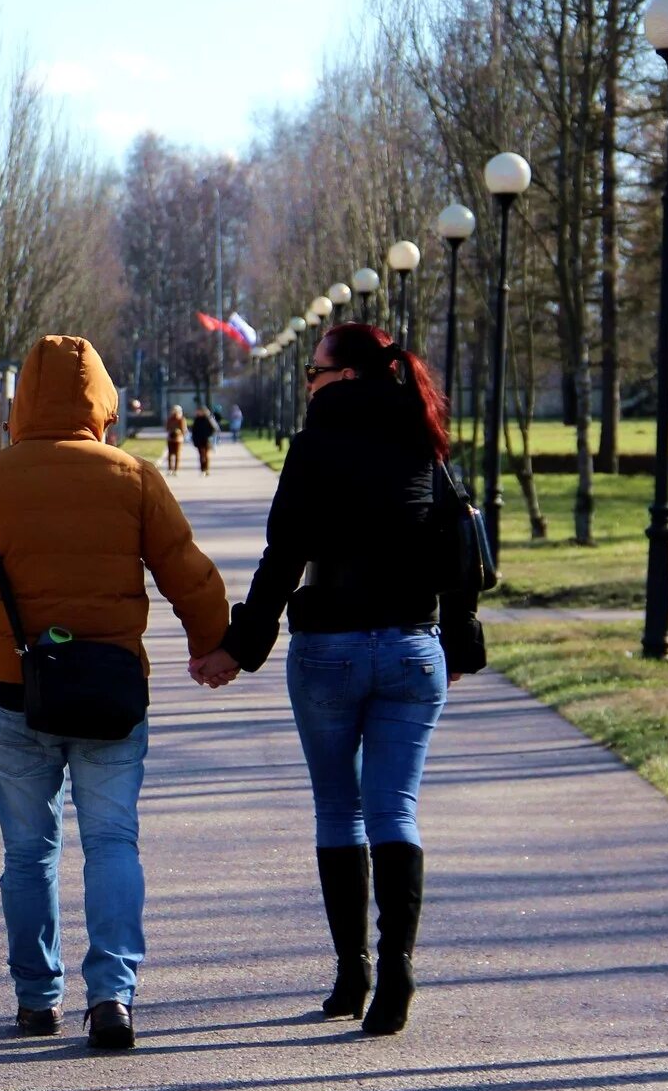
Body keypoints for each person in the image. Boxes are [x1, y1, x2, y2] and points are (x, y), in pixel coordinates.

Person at [0, 335, 230, 1050]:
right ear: (102, 402)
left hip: (15, 694)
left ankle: (37, 997)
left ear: (21, 403)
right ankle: (112, 996)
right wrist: (211, 646)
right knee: (113, 841)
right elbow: (190, 576)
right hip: (112, 694)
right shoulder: (134, 477)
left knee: (28, 853)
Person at [191, 323, 484, 1036]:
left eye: (314, 372)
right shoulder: (423, 437)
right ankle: (399, 967)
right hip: (413, 650)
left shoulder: (316, 441)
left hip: (329, 650)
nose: (309, 384)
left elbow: (284, 552)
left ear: (346, 375)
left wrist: (239, 647)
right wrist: (456, 632)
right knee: (395, 810)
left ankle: (354, 971)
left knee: (338, 810)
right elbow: (456, 543)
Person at [190, 406, 217, 475]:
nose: (198, 412)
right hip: (199, 440)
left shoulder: (208, 419)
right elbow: (193, 430)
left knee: (206, 455)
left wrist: (208, 435)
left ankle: (206, 469)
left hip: (207, 440)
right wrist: (194, 438)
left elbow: (214, 429)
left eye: (200, 411)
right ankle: (202, 469)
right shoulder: (197, 419)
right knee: (201, 455)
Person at [164, 405, 187, 475]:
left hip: (178, 439)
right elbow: (167, 428)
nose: (174, 412)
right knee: (170, 454)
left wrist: (179, 432)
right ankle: (170, 469)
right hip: (170, 438)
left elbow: (183, 429)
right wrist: (171, 430)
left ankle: (176, 469)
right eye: (173, 410)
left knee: (177, 454)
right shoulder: (170, 419)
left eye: (176, 411)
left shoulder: (181, 419)